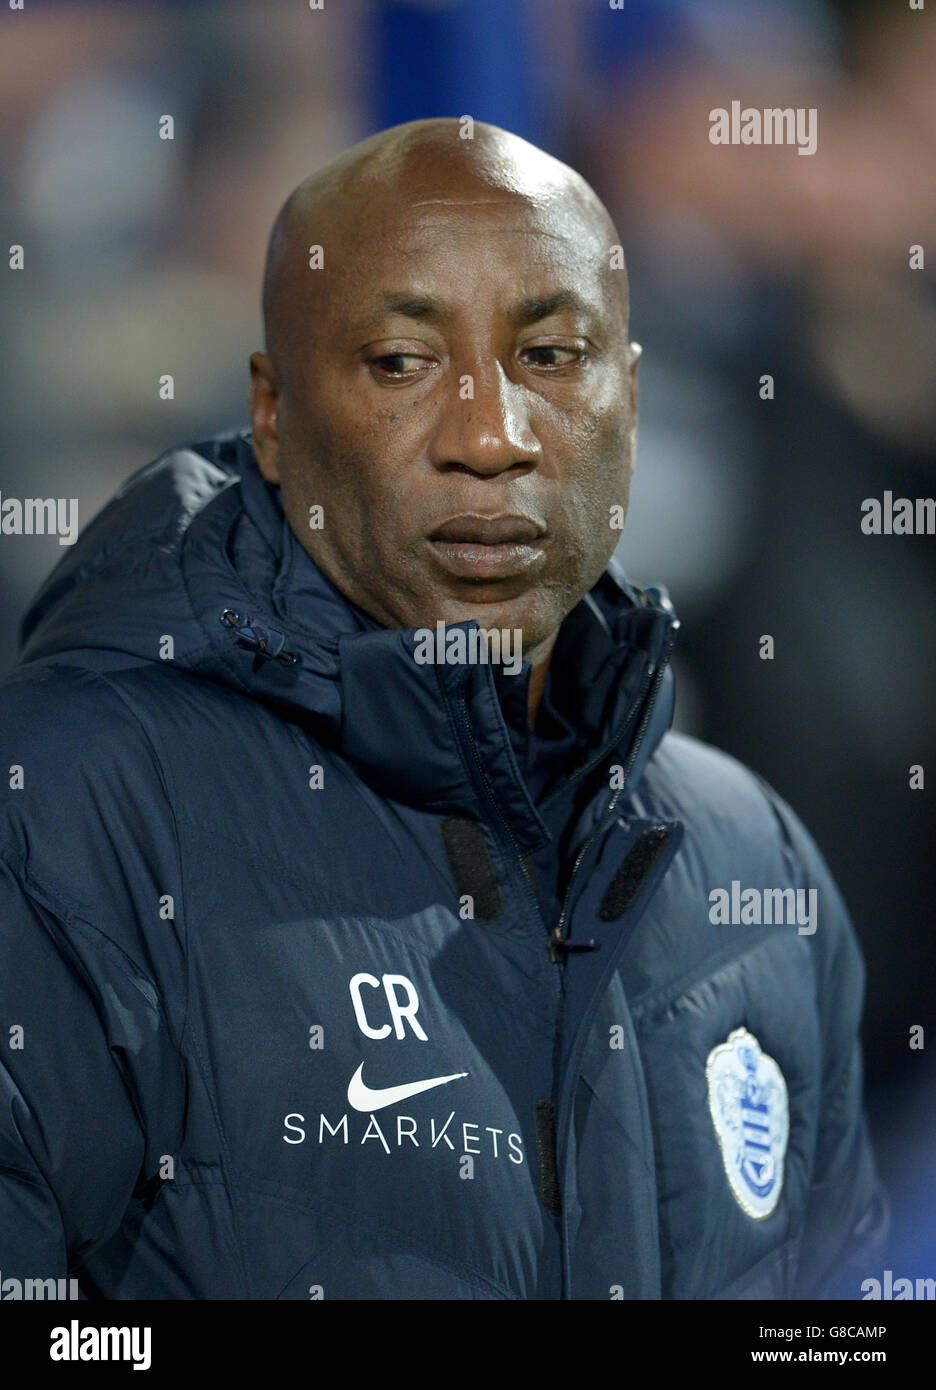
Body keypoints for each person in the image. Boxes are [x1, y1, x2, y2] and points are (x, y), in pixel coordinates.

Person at [0, 118, 886, 1299]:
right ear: (272, 417)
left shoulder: (755, 859)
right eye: (401, 363)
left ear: (631, 397)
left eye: (556, 356)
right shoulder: (71, 813)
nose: (489, 436)